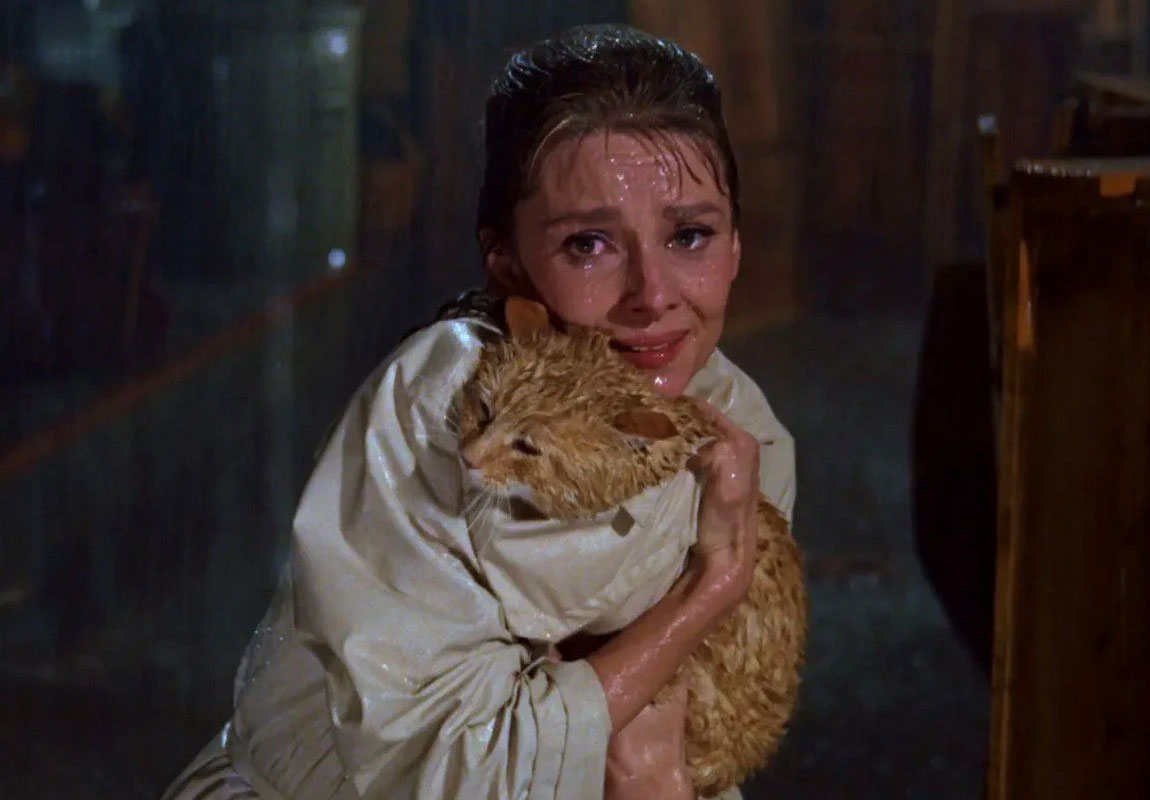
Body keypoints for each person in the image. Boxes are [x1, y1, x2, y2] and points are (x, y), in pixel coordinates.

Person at [162, 24, 796, 800]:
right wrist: (710, 588)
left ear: (736, 247)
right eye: (590, 244)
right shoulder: (445, 404)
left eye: (690, 235)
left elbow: (686, 741)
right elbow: (456, 771)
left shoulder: (740, 426)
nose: (652, 295)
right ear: (507, 263)